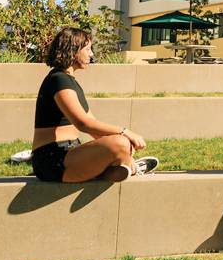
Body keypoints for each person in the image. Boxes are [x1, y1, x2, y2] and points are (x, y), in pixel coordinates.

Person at [31, 27, 158, 182]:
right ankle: (122, 168)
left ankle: (117, 169)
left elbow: (95, 128)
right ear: (74, 50)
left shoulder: (71, 82)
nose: (91, 54)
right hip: (52, 159)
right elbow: (82, 123)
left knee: (124, 144)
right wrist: (125, 132)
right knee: (121, 142)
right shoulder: (58, 79)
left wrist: (125, 143)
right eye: (88, 49)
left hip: (71, 153)